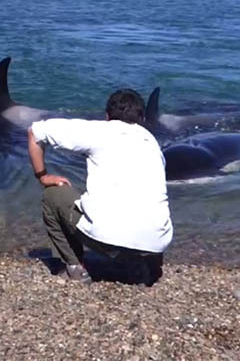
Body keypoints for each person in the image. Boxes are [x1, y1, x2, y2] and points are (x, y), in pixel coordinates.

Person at [27, 88, 172, 285]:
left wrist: (42, 176)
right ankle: (142, 266)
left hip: (107, 238)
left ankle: (75, 268)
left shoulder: (100, 131)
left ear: (107, 116)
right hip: (156, 244)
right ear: (142, 117)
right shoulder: (153, 143)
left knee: (53, 194)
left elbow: (35, 132)